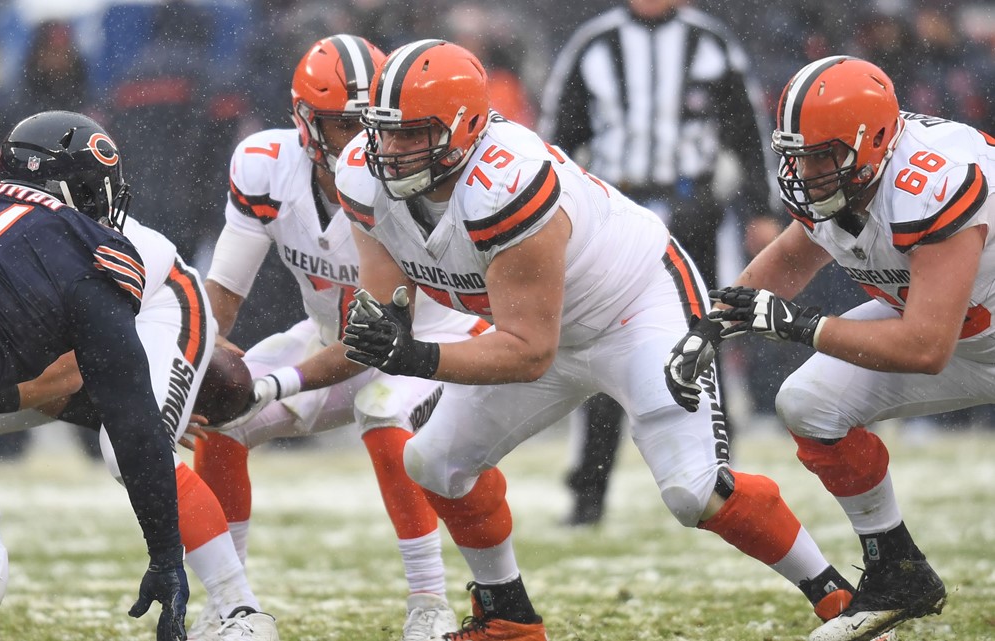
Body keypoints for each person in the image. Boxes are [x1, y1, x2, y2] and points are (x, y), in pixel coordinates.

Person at [334, 39, 869, 641]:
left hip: (635, 306)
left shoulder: (505, 181)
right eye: (384, 132)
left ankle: (841, 600)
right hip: (543, 326)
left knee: (694, 492)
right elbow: (390, 301)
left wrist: (416, 357)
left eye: (414, 133)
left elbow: (527, 352)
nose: (392, 151)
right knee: (431, 461)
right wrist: (385, 330)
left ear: (467, 127)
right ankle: (508, 617)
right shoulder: (362, 172)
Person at [0, 112, 279, 641]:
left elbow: (70, 375)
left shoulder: (76, 243)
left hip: (157, 305)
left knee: (122, 446)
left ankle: (238, 607)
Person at [667, 55, 969, 641]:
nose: (806, 171)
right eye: (796, 154)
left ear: (875, 142)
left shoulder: (932, 182)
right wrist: (708, 327)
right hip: (956, 324)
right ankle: (898, 571)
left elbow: (930, 346)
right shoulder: (853, 169)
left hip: (956, 328)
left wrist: (801, 325)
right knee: (809, 402)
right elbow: (789, 258)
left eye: (820, 156)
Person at [196, 34, 487, 641]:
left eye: (370, 122)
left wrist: (276, 381)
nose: (361, 140)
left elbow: (383, 331)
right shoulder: (264, 167)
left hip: (427, 340)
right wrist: (195, 363)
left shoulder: (408, 172)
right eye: (342, 124)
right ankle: (232, 605)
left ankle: (428, 601)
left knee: (382, 413)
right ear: (304, 122)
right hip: (332, 335)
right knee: (221, 414)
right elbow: (222, 295)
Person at [537, 0, 782, 525]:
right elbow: (556, 137)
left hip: (692, 210)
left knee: (702, 337)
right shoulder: (594, 43)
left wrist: (762, 209)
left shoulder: (710, 42)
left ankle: (720, 481)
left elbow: (747, 128)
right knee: (602, 342)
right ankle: (589, 492)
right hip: (613, 213)